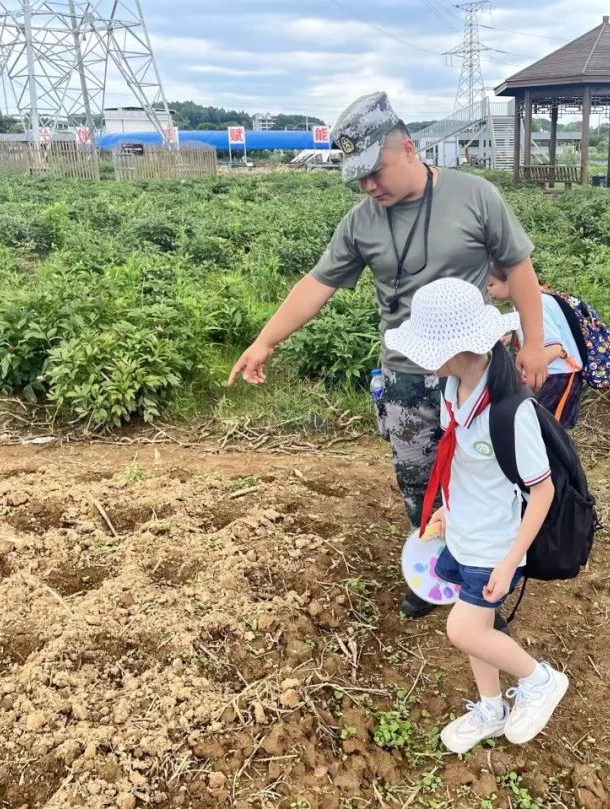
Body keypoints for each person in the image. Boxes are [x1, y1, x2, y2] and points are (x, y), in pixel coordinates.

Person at [227, 92, 549, 622]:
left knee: (489, 471)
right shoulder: (361, 222)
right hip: (404, 374)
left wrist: (533, 345)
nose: (369, 186)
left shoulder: (475, 196)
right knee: (418, 478)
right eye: (359, 179)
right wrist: (266, 339)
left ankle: (497, 565)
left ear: (408, 147)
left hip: (476, 372)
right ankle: (437, 570)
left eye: (375, 171)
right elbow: (317, 284)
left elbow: (519, 270)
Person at [384, 278, 569, 753]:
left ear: (456, 347)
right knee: (478, 632)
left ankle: (539, 679)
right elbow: (459, 460)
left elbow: (542, 491)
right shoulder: (453, 386)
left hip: (496, 543)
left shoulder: (510, 412)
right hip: (464, 531)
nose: (421, 356)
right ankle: (491, 708)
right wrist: (445, 508)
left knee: (462, 628)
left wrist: (510, 561)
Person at [488, 264, 585, 428]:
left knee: (549, 430)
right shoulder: (527, 300)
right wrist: (513, 336)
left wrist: (525, 370)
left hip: (560, 375)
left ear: (511, 281)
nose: (489, 291)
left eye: (491, 285)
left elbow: (554, 348)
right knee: (540, 427)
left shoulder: (535, 303)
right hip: (551, 372)